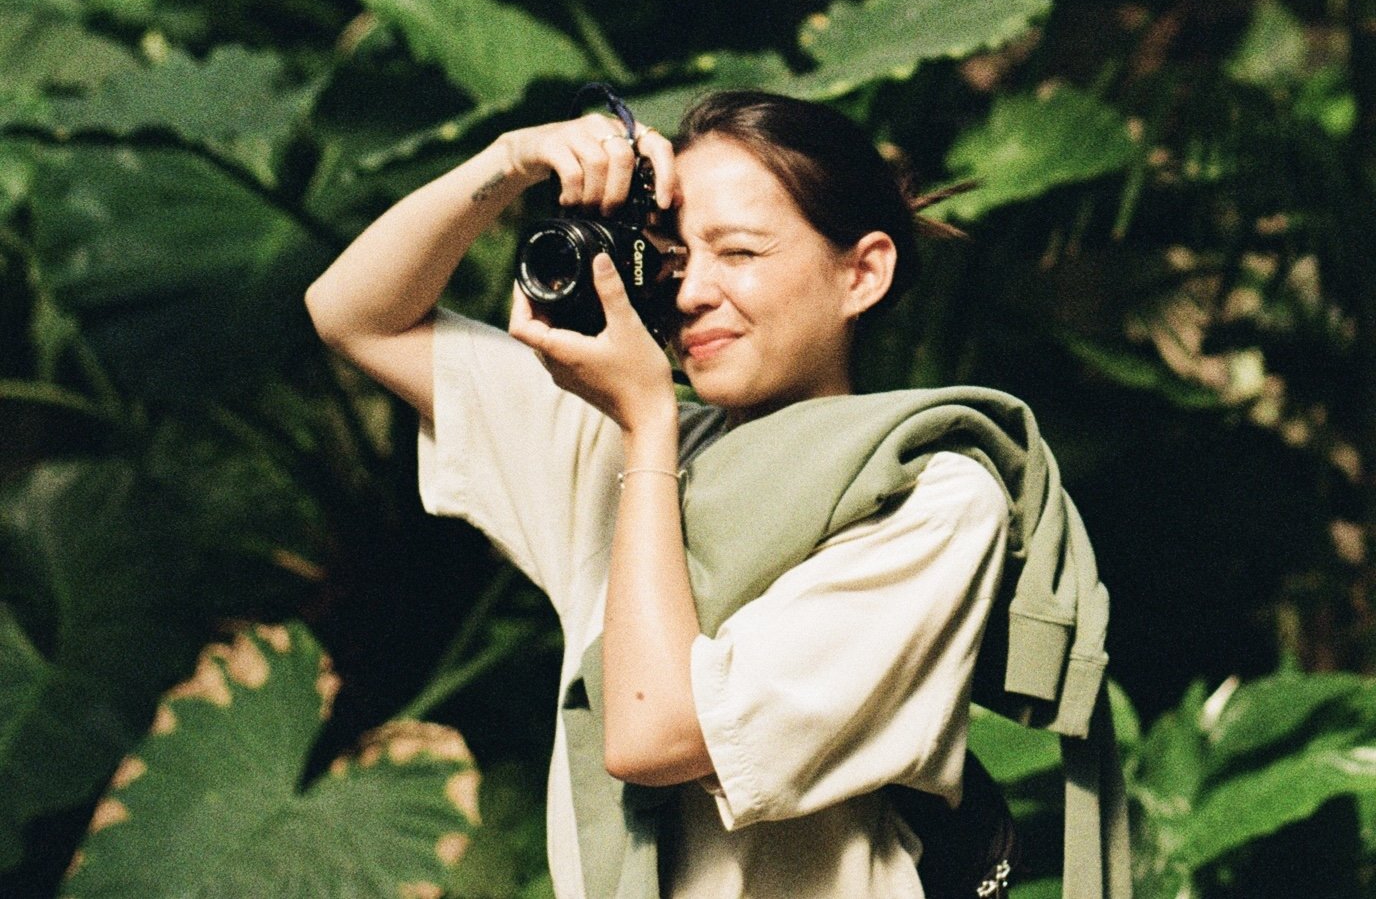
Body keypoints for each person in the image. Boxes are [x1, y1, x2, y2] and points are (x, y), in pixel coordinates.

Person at [304, 92, 1105, 899]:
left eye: (741, 253)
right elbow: (356, 316)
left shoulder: (931, 497)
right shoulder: (616, 436)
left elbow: (657, 732)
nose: (690, 293)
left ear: (862, 272)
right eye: (676, 258)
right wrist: (511, 160)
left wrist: (650, 424)